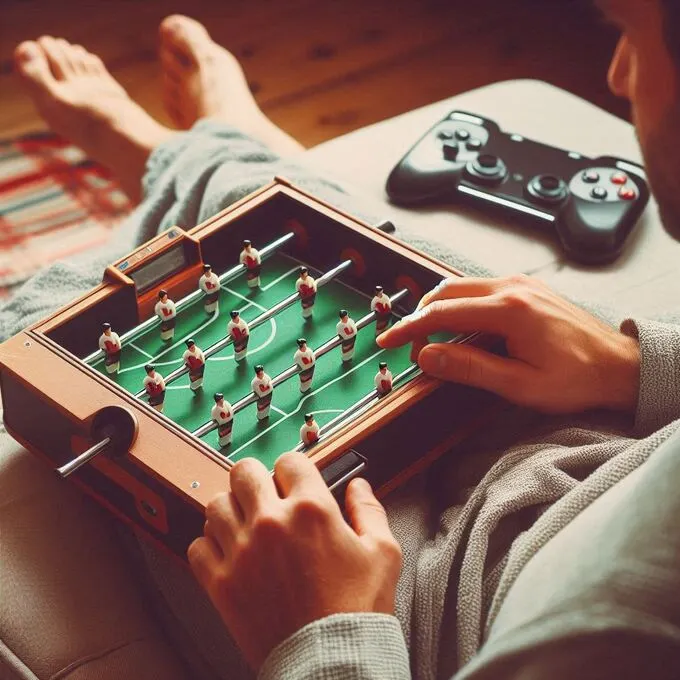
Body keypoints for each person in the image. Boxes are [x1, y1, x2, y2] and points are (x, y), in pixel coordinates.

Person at [3, 3, 680, 679]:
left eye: (631, 37)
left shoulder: (615, 639)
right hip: (604, 441)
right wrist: (634, 364)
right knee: (289, 210)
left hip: (410, 621)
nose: (617, 76)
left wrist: (326, 634)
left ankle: (191, 153)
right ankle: (199, 154)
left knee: (45, 313)